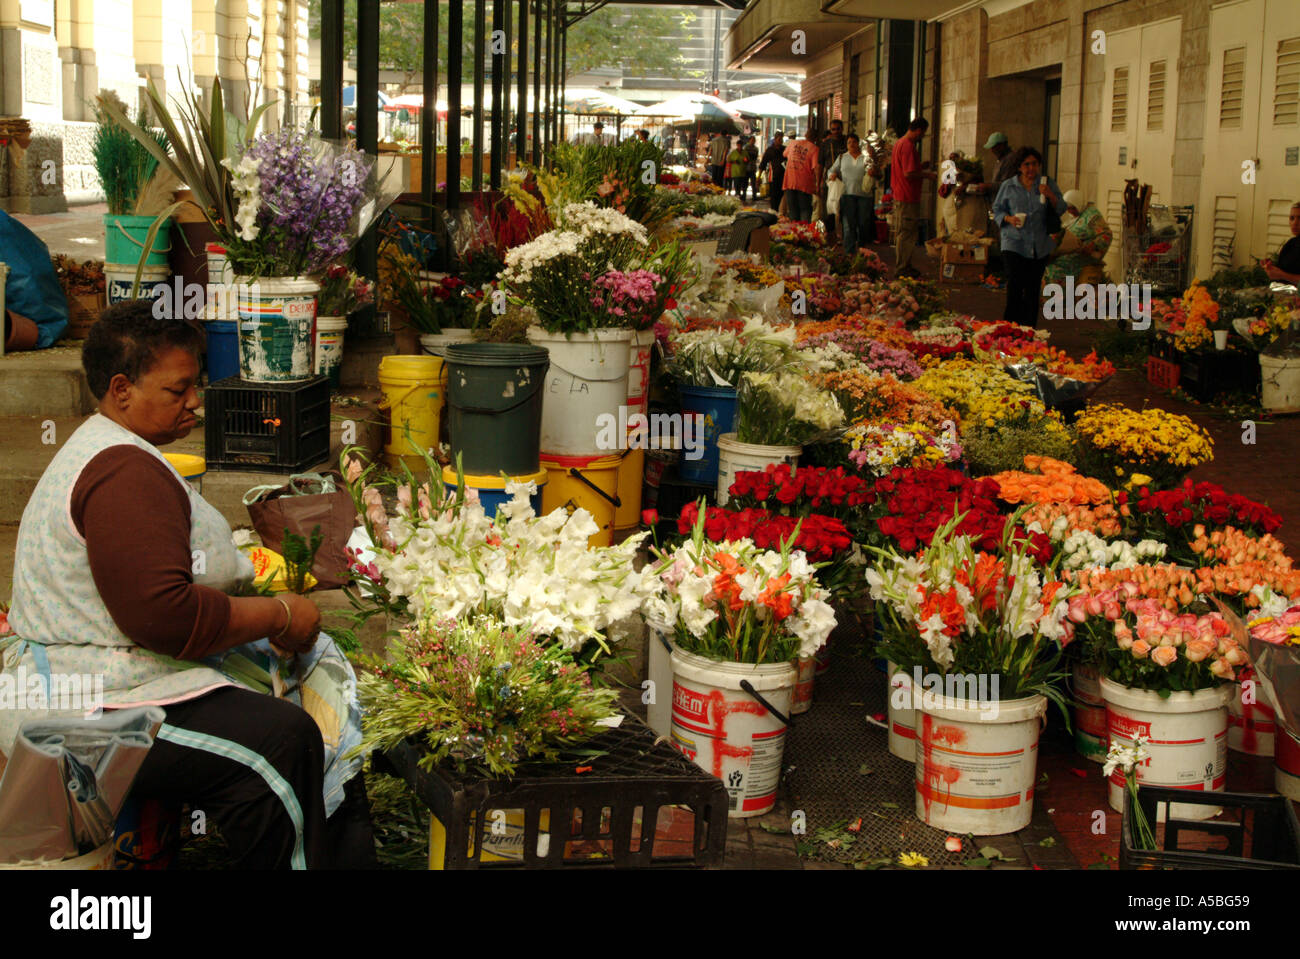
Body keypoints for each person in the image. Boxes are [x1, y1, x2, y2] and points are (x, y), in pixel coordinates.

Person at [0, 300, 376, 869]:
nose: (196, 404)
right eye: (178, 391)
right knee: (278, 741)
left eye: (195, 386)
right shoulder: (123, 472)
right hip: (89, 707)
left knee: (307, 685)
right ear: (121, 390)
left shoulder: (106, 449)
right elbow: (165, 617)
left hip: (101, 675)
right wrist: (278, 615)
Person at [992, 146, 1067, 328]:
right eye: (1027, 164)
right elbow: (997, 210)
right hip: (1014, 242)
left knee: (1033, 290)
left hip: (1039, 245)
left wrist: (1050, 195)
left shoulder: (1046, 183)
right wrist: (1009, 219)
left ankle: (1029, 330)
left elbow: (1062, 208)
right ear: (1019, 167)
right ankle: (1009, 328)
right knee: (1015, 286)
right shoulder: (1009, 186)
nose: (1031, 168)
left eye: (1034, 164)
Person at [890, 117, 938, 278]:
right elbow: (909, 173)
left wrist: (920, 166)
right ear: (918, 130)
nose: (923, 136)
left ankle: (905, 265)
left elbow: (907, 168)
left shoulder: (899, 143)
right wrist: (928, 175)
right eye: (923, 133)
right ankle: (902, 267)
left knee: (905, 232)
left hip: (901, 193)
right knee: (907, 233)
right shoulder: (908, 146)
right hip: (907, 196)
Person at [1043, 189, 1114, 286]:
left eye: (1073, 208)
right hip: (1067, 255)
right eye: (1068, 208)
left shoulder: (1092, 215)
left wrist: (1092, 246)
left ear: (1079, 204)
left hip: (1081, 259)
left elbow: (1106, 234)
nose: (1070, 211)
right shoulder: (1073, 218)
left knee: (1053, 272)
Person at [827, 133, 875, 255]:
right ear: (847, 145)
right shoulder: (842, 157)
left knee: (863, 224)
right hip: (847, 195)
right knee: (848, 225)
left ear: (858, 143)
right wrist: (831, 175)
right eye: (849, 142)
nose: (852, 144)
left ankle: (862, 249)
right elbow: (832, 170)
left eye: (854, 142)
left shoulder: (866, 157)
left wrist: (873, 172)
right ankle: (849, 253)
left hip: (864, 196)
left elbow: (877, 174)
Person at [783, 128, 821, 223]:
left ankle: (794, 235)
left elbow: (785, 154)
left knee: (793, 212)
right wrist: (818, 185)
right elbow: (816, 168)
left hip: (790, 182)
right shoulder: (815, 149)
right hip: (805, 185)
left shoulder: (793, 143)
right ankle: (803, 235)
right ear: (816, 138)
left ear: (805, 135)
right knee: (805, 211)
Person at [818, 119, 848, 241]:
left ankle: (844, 235)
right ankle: (830, 236)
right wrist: (818, 181)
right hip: (829, 181)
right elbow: (820, 164)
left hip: (845, 181)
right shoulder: (825, 145)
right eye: (833, 129)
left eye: (838, 129)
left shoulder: (848, 142)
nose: (836, 131)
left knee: (844, 209)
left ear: (842, 129)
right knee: (829, 209)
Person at [1263, 201, 1300, 284]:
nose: (1295, 223)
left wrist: (1282, 275)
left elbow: (1283, 275)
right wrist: (1271, 269)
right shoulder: (1291, 243)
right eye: (1292, 218)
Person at [760, 131, 786, 211]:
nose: (781, 141)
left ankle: (780, 214)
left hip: (783, 177)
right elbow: (763, 163)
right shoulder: (770, 150)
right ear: (775, 139)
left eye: (781, 139)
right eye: (779, 139)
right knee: (774, 197)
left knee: (782, 196)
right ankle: (774, 212)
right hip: (773, 177)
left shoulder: (784, 149)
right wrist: (758, 178)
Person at [743, 136, 760, 201]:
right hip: (746, 168)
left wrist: (749, 157)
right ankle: (744, 195)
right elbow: (745, 157)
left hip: (753, 168)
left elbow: (755, 157)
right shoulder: (746, 147)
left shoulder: (756, 148)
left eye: (754, 140)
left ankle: (754, 195)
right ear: (749, 140)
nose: (753, 141)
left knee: (753, 182)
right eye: (752, 140)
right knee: (745, 183)